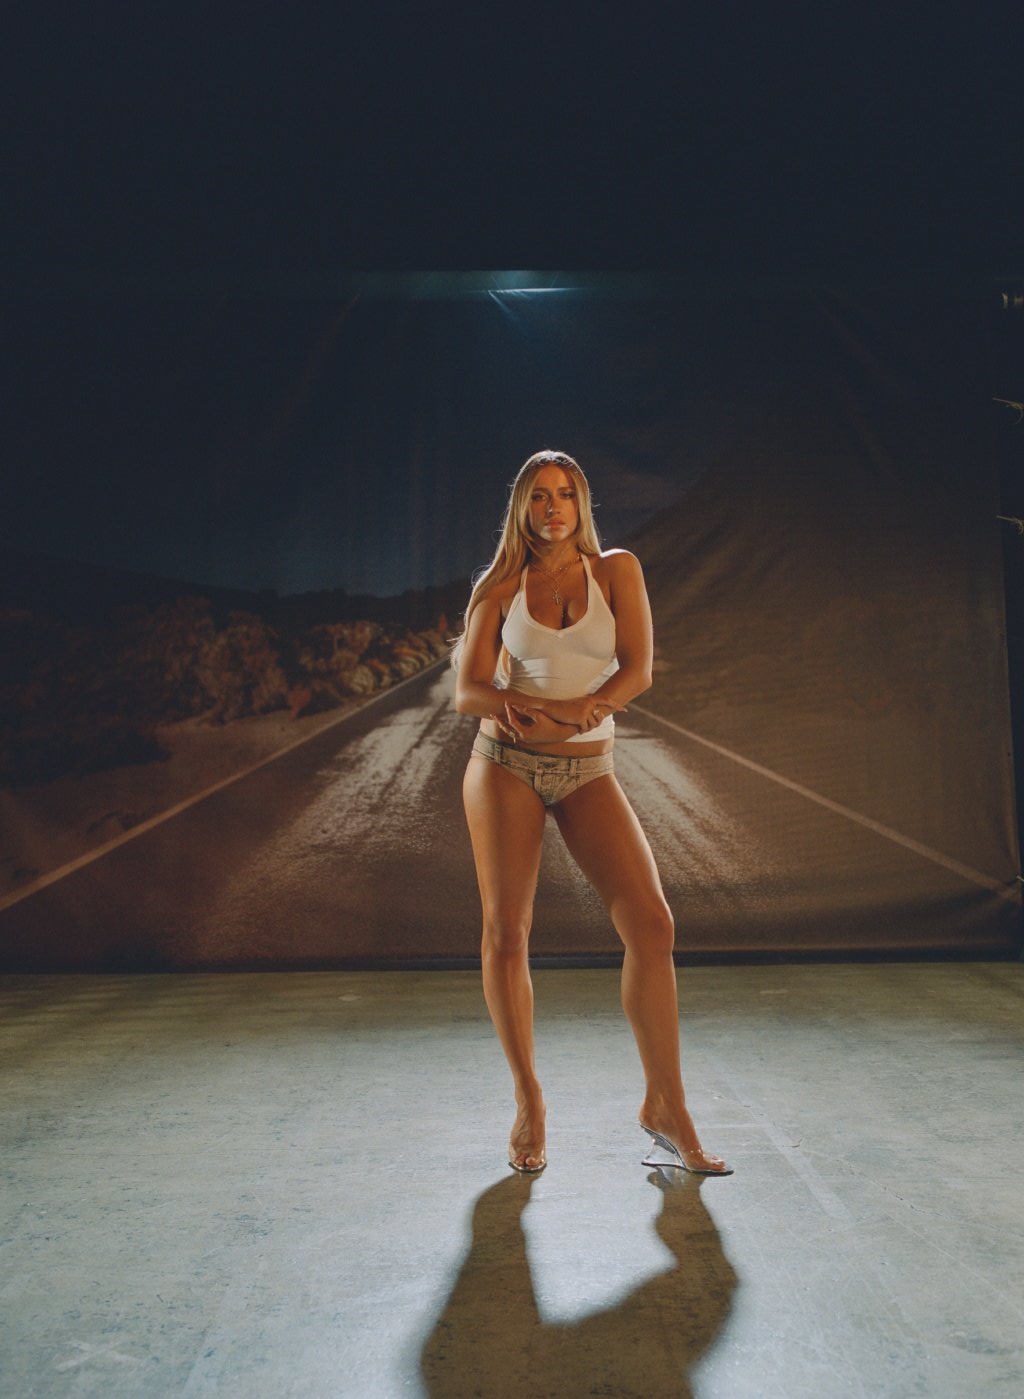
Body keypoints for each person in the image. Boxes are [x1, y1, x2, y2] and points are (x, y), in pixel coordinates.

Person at [452, 450, 731, 1177]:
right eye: (540, 495)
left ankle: (665, 1105)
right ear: (522, 507)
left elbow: (638, 668)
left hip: (587, 767)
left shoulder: (617, 570)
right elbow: (467, 691)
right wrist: (512, 702)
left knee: (653, 925)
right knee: (507, 933)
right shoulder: (500, 584)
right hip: (504, 766)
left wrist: (591, 706)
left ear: (582, 505)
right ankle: (528, 1099)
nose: (554, 507)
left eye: (566, 494)